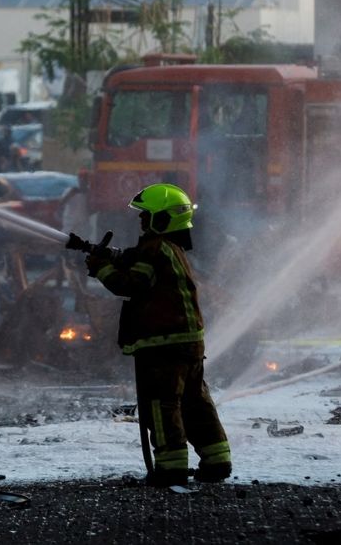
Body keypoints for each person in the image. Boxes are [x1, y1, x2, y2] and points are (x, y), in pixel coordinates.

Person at [84, 184, 231, 487]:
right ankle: (217, 461)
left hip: (163, 345)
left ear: (162, 219)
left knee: (162, 406)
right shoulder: (171, 249)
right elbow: (137, 262)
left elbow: (131, 284)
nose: (140, 220)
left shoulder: (154, 249)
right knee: (195, 403)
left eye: (146, 215)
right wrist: (112, 255)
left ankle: (170, 468)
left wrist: (101, 268)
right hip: (188, 342)